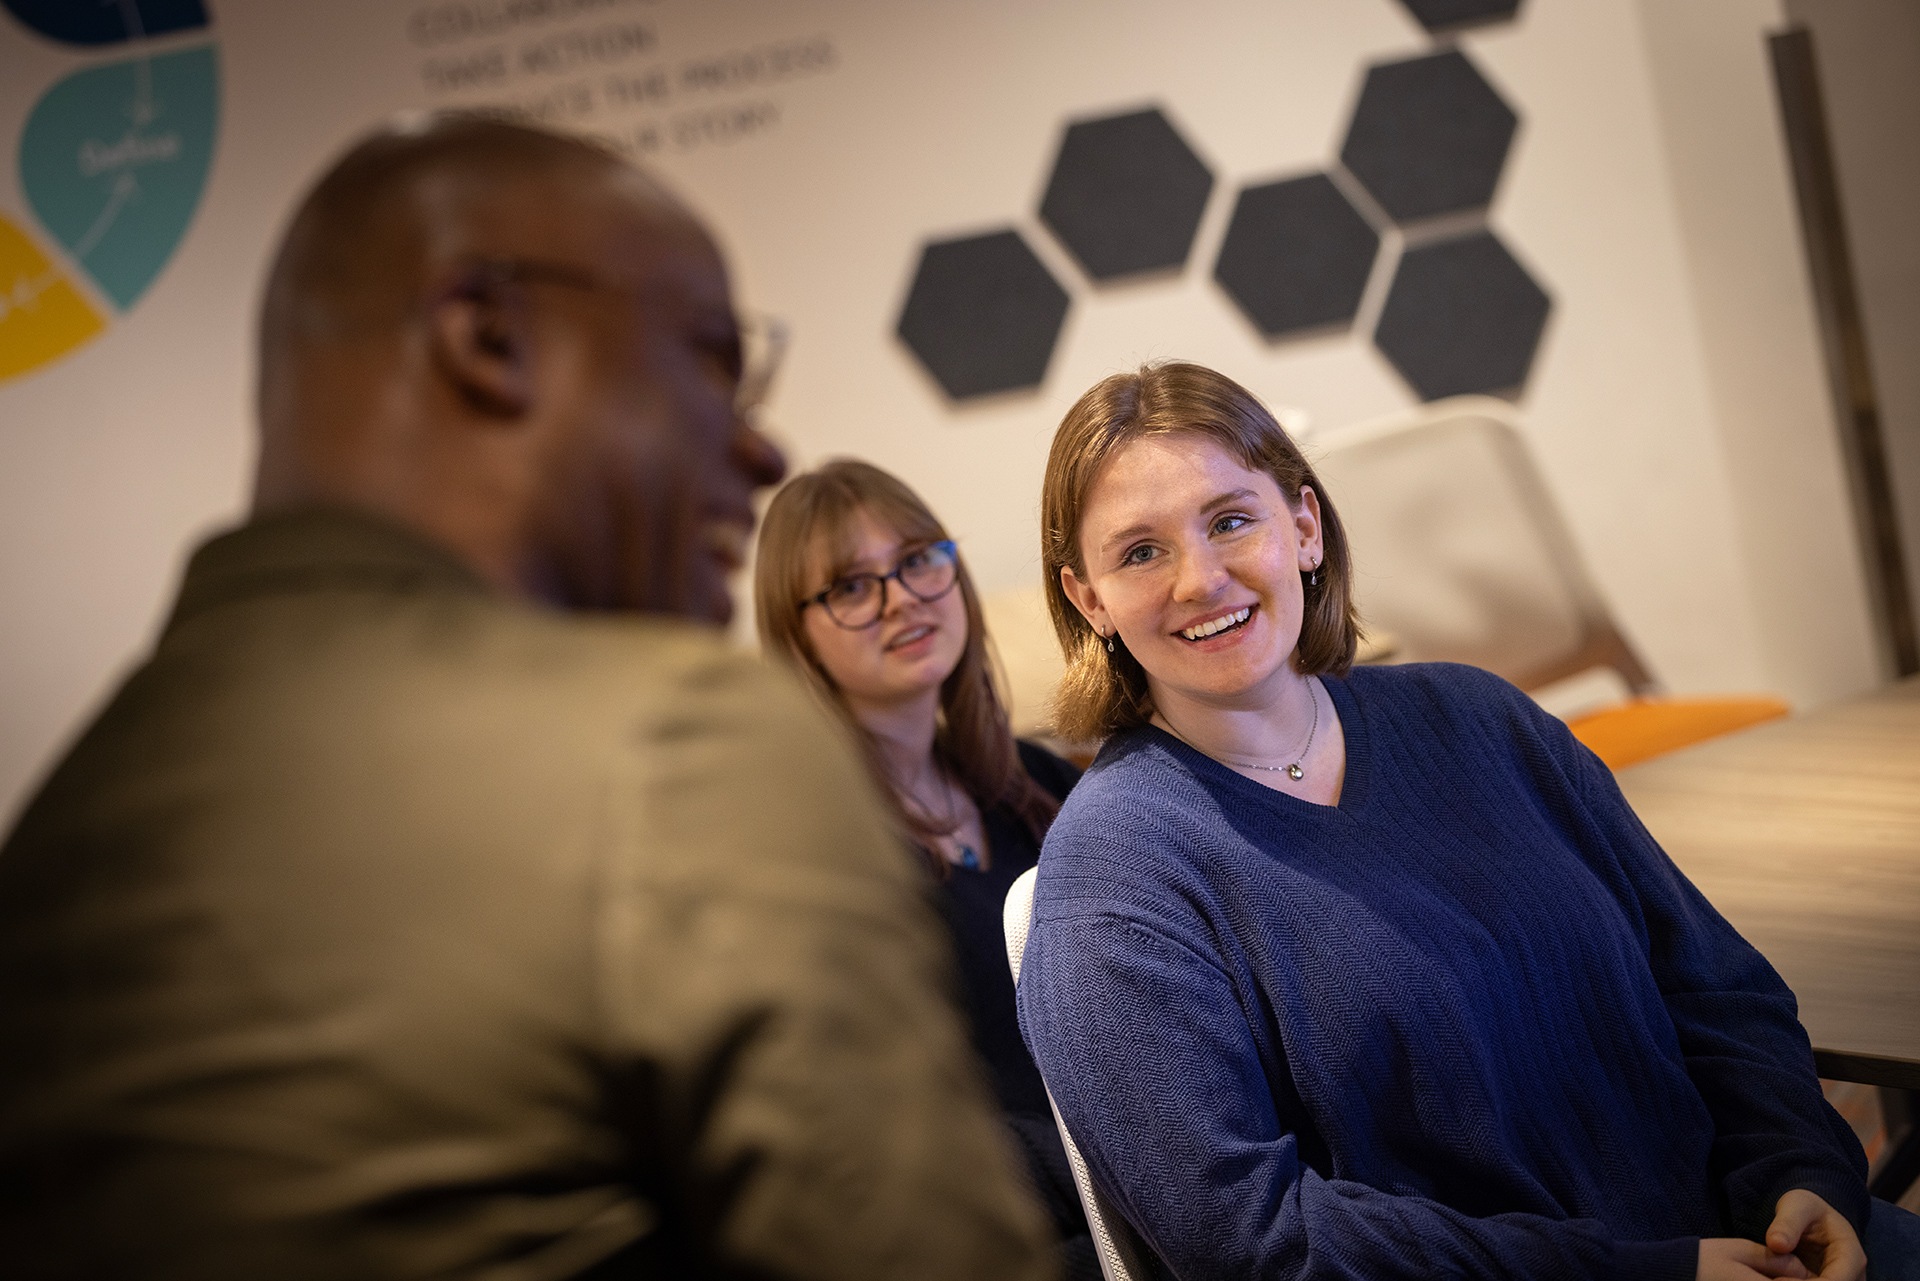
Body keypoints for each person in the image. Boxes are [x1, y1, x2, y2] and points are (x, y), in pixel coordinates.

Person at [0, 115, 1058, 1280]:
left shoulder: (58, 833)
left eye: (918, 561)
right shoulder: (677, 747)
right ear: (487, 338)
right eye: (712, 362)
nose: (760, 453)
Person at [1015, 361, 1920, 1280]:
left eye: (1230, 519)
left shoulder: (1481, 719)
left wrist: (1800, 1174)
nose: (1200, 578)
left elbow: (1715, 984)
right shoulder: (1115, 876)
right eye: (1139, 552)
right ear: (1090, 600)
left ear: (1303, 526)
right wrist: (1650, 1270)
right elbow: (1250, 1238)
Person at [753, 458, 1097, 1278]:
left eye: (917, 559)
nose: (902, 597)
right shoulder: (811, 851)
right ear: (795, 633)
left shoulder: (1036, 782)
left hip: (1134, 1180)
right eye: (848, 585)